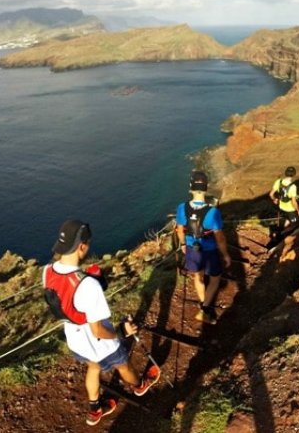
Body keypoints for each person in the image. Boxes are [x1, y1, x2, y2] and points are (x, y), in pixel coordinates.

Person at [43, 219, 160, 426]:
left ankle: (95, 409)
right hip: (99, 342)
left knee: (94, 367)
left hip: (75, 340)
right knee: (123, 365)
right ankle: (140, 386)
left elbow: (67, 299)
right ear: (81, 246)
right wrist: (121, 332)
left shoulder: (47, 272)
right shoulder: (87, 285)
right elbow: (98, 330)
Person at [175, 171, 232, 325]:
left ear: (190, 187)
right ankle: (205, 308)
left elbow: (180, 229)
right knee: (215, 278)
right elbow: (220, 237)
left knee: (198, 276)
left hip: (191, 248)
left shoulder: (182, 207)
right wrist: (226, 255)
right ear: (206, 188)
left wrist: (182, 245)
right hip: (209, 250)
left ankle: (203, 303)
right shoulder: (213, 211)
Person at [270, 166, 299, 231]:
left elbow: (271, 194)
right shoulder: (293, 187)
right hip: (290, 209)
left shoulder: (278, 182)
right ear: (294, 174)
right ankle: (284, 233)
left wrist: (274, 199)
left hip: (280, 206)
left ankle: (282, 228)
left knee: (287, 217)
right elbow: (294, 202)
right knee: (295, 223)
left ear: (285, 173)